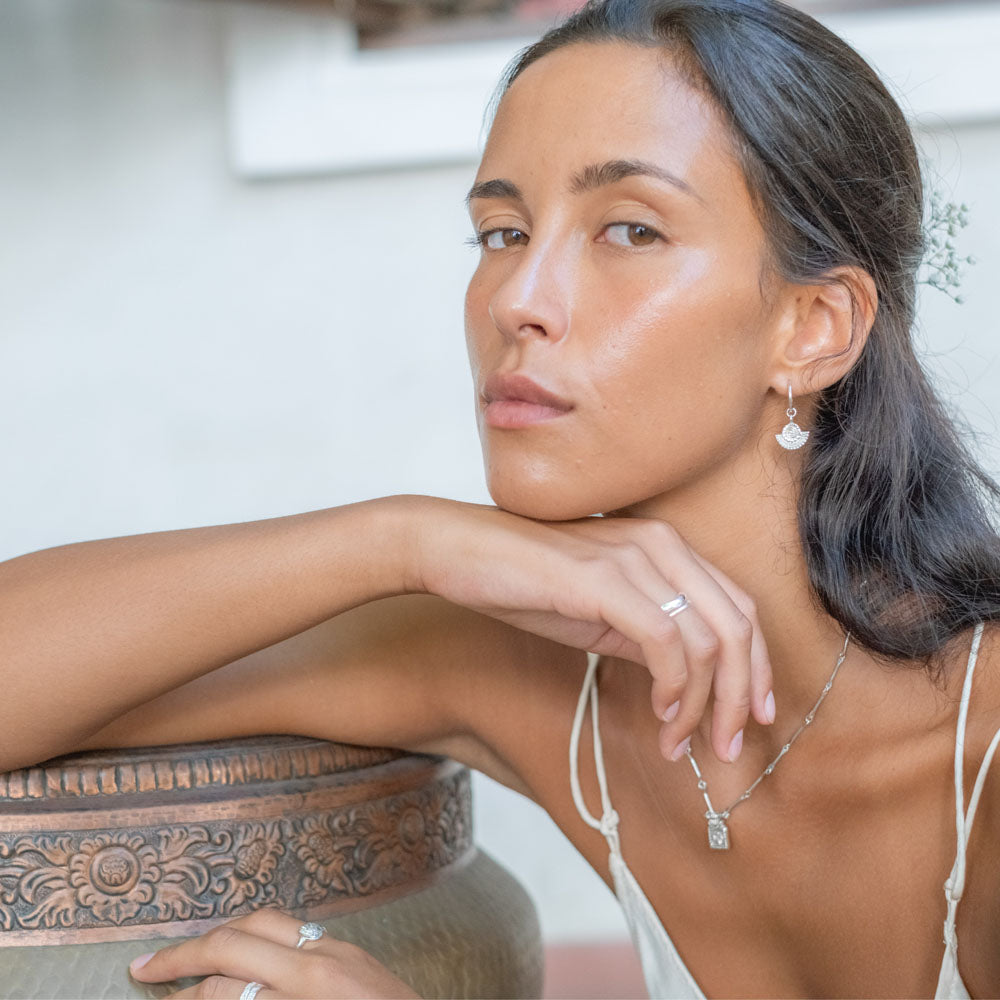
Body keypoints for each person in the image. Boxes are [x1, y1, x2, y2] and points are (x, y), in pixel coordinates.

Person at [2, 0, 997, 996]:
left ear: (813, 327)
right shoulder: (531, 673)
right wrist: (403, 539)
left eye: (629, 229)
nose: (519, 298)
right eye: (502, 230)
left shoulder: (979, 743)